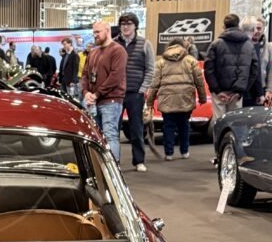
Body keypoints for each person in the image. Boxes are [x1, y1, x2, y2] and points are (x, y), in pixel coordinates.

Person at [146, 38, 206, 161]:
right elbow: (199, 81)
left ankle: (169, 153)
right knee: (184, 125)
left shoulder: (161, 62)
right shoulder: (191, 60)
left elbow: (154, 84)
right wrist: (202, 97)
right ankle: (184, 151)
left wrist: (149, 101)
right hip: (185, 98)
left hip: (167, 99)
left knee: (168, 126)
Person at [80, 21, 128, 163]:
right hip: (94, 101)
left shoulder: (118, 51)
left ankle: (113, 168)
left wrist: (96, 94)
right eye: (94, 32)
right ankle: (100, 168)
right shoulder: (93, 52)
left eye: (98, 32)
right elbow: (85, 74)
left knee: (110, 135)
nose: (95, 35)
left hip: (111, 100)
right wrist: (86, 92)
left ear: (107, 31)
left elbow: (115, 77)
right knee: (95, 137)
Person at [203, 13, 259, 128]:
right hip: (237, 94)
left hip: (220, 92)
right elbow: (254, 71)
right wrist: (241, 91)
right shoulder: (249, 45)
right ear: (238, 25)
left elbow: (208, 69)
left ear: (224, 26)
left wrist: (217, 90)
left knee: (219, 125)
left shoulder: (215, 44)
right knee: (235, 126)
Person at [115, 12, 155, 173]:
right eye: (123, 24)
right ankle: (113, 162)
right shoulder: (113, 44)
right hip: (115, 93)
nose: (125, 27)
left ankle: (139, 161)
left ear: (135, 26)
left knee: (136, 128)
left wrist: (142, 89)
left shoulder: (145, 44)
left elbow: (150, 69)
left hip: (135, 93)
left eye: (129, 24)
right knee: (113, 129)